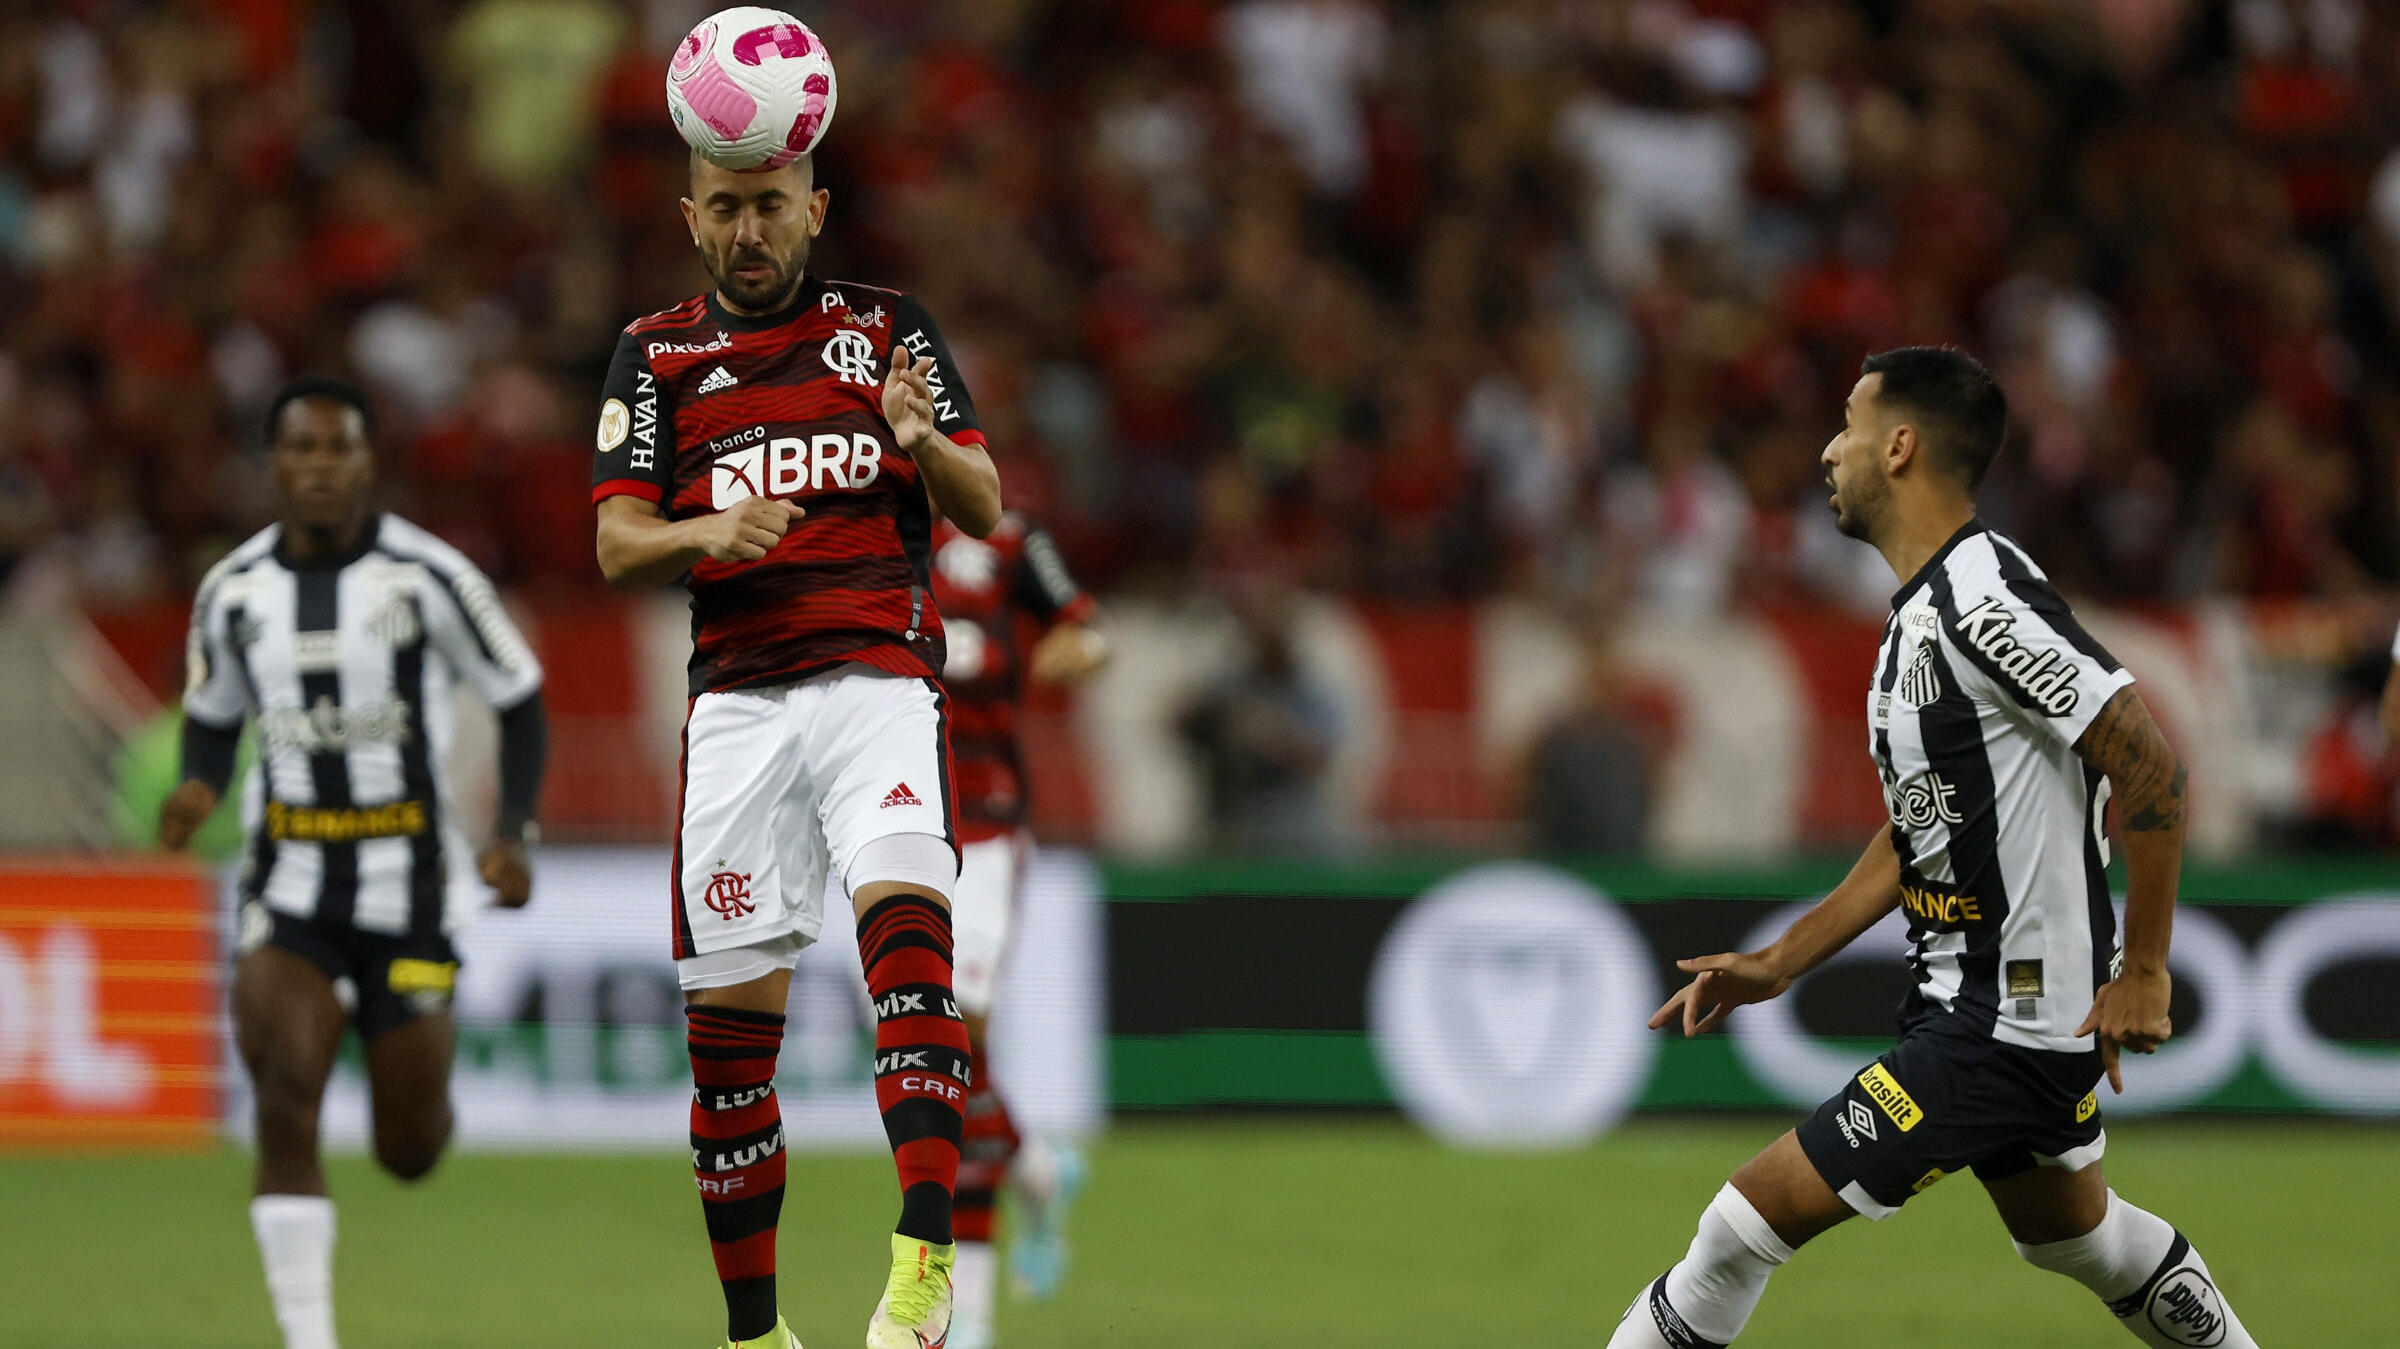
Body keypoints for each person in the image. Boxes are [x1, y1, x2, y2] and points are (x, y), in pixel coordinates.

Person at [1606, 348, 2261, 1349]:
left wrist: (2146, 967)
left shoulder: (1980, 600)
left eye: (1848, 426)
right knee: (2077, 1239)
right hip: (1980, 1006)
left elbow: (2150, 762)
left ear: (1900, 446)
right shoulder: (1927, 606)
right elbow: (1929, 817)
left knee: (1738, 1227)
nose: (1830, 450)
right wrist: (1785, 958)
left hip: (2004, 1023)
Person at [591, 142, 1001, 1349]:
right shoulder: (656, 353)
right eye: (725, 210)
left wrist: (924, 441)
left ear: (813, 209)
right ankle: (756, 1333)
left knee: (909, 948)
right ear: (692, 218)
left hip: (877, 678)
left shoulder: (887, 327)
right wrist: (706, 529)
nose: (750, 230)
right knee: (728, 1055)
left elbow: (982, 502)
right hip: (739, 711)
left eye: (771, 206)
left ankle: (924, 1265)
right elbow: (618, 544)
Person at [161, 374, 549, 1349]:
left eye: (339, 448)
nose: (321, 466)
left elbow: (521, 695)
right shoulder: (235, 591)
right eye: (302, 448)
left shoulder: (431, 578)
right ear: (274, 463)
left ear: (369, 461)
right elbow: (211, 723)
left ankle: (419, 1077)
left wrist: (516, 832)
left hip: (411, 889)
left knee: (409, 1148)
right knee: (286, 1090)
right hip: (287, 881)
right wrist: (200, 785)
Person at [926, 511, 1107, 1349]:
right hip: (886, 825)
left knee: (953, 1053)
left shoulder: (1008, 540)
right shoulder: (855, 517)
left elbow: (1086, 631)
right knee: (931, 1063)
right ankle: (1035, 1164)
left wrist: (1061, 655)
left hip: (988, 823)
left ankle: (972, 1323)